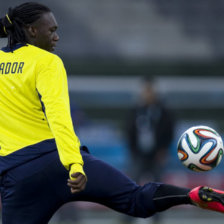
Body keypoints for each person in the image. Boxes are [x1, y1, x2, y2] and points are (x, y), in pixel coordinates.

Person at [0, 2, 223, 224]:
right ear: (32, 30)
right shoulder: (47, 61)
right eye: (52, 31)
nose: (56, 37)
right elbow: (59, 117)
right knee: (136, 199)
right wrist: (75, 165)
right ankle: (191, 195)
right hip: (57, 161)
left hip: (17, 174)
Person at [128, 79, 174, 184]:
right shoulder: (135, 111)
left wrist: (163, 149)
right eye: (145, 91)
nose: (148, 94)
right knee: (133, 181)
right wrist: (133, 150)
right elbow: (129, 130)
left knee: (159, 183)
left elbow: (169, 131)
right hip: (138, 153)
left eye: (150, 91)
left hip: (157, 153)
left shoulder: (163, 111)